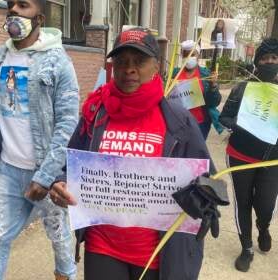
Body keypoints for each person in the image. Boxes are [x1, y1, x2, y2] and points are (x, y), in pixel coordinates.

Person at [49, 28, 219, 280]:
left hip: (156, 254)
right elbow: (70, 165)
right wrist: (60, 185)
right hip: (102, 246)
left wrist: (202, 194)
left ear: (156, 66)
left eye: (139, 61)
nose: (129, 69)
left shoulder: (178, 119)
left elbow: (209, 180)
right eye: (121, 61)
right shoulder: (95, 113)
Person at [0, 0, 79, 279]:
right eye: (11, 6)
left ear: (40, 18)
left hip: (48, 172)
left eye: (23, 6)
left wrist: (45, 176)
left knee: (60, 242)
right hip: (8, 170)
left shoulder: (58, 61)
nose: (14, 11)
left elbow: (67, 123)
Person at [219, 38, 278, 273]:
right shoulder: (242, 88)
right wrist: (238, 124)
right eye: (265, 58)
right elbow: (223, 118)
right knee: (243, 202)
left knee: (266, 204)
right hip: (240, 155)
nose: (270, 62)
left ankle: (263, 226)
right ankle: (246, 248)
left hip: (272, 159)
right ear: (257, 62)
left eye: (274, 58)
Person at [172, 40, 222, 139]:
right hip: (179, 122)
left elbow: (214, 102)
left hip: (200, 124)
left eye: (192, 54)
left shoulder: (206, 75)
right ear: (182, 55)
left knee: (196, 153)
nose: (189, 57)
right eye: (186, 54)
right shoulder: (174, 74)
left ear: (198, 55)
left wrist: (213, 86)